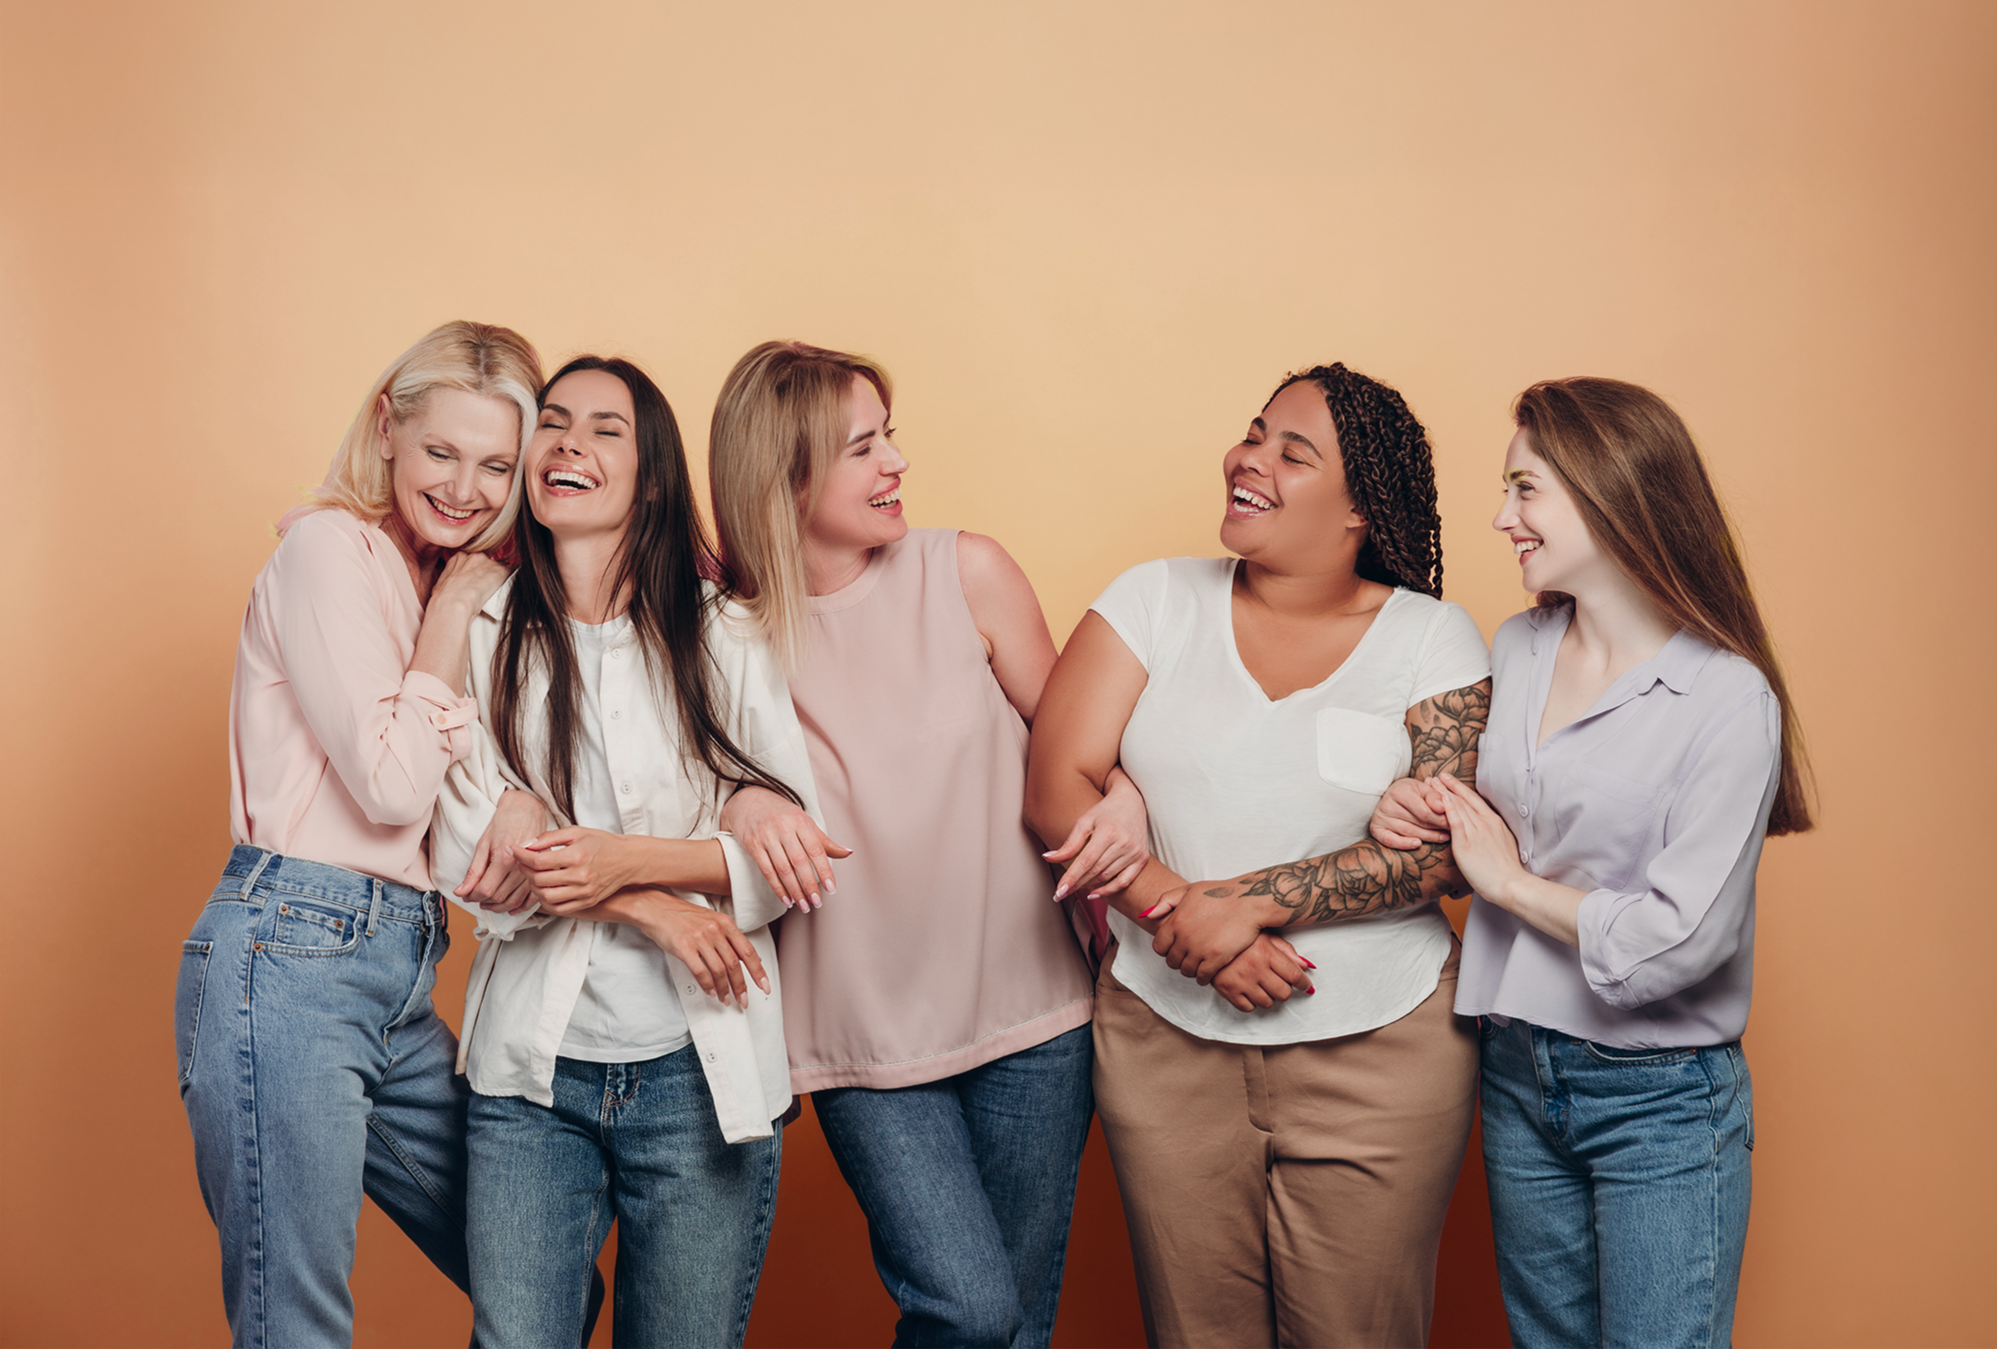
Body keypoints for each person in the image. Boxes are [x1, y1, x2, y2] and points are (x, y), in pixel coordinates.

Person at [1023, 363, 1493, 1349]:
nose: (1249, 459)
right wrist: (1182, 916)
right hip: (1165, 1047)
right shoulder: (1153, 599)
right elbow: (1054, 783)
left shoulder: (1430, 638)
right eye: (1252, 434)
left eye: (1293, 451)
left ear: (1359, 504)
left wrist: (1246, 900)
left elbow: (1441, 858)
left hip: (1382, 1052)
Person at [706, 340, 1149, 1349]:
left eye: (888, 437)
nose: (895, 463)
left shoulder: (967, 570)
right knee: (968, 1307)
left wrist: (1122, 801)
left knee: (1016, 1325)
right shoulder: (721, 633)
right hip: (857, 1037)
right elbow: (681, 783)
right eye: (862, 447)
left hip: (1034, 1013)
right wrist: (741, 808)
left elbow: (1075, 748)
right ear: (783, 472)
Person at [1369, 377, 1813, 1349]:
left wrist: (1509, 885)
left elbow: (1676, 941)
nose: (1500, 517)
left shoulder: (1724, 697)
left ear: (1606, 491)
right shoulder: (1520, 646)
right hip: (1518, 1067)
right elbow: (1526, 827)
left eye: (1524, 489)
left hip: (1657, 1093)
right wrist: (1434, 810)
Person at [428, 356, 819, 1349]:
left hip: (701, 1067)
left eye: (605, 428)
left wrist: (627, 859)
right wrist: (644, 898)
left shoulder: (725, 633)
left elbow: (783, 861)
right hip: (531, 1077)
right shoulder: (481, 629)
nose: (567, 442)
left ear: (649, 478)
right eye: (553, 423)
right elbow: (467, 861)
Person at [175, 320, 543, 1349]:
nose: (466, 487)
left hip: (399, 967)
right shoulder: (327, 550)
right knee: (295, 1325)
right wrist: (457, 608)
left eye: (496, 465)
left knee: (539, 1282)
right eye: (441, 451)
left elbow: (475, 783)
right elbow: (387, 784)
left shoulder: (451, 578)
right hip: (287, 953)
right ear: (388, 426)